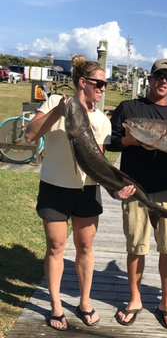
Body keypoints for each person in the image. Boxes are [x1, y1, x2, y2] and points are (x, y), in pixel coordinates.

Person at [25, 55, 135, 331]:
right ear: (83, 83)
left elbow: (98, 161)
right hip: (55, 186)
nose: (103, 88)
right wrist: (57, 113)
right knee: (56, 248)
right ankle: (56, 306)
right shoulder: (54, 103)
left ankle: (84, 301)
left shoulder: (102, 119)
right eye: (99, 83)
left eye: (105, 84)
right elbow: (29, 135)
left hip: (87, 191)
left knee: (86, 247)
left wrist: (115, 189)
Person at [107, 58, 167, 329]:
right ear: (150, 79)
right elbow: (111, 142)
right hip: (135, 187)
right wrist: (130, 141)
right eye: (159, 76)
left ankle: (166, 300)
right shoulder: (129, 108)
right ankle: (135, 298)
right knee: (136, 246)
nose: (164, 82)